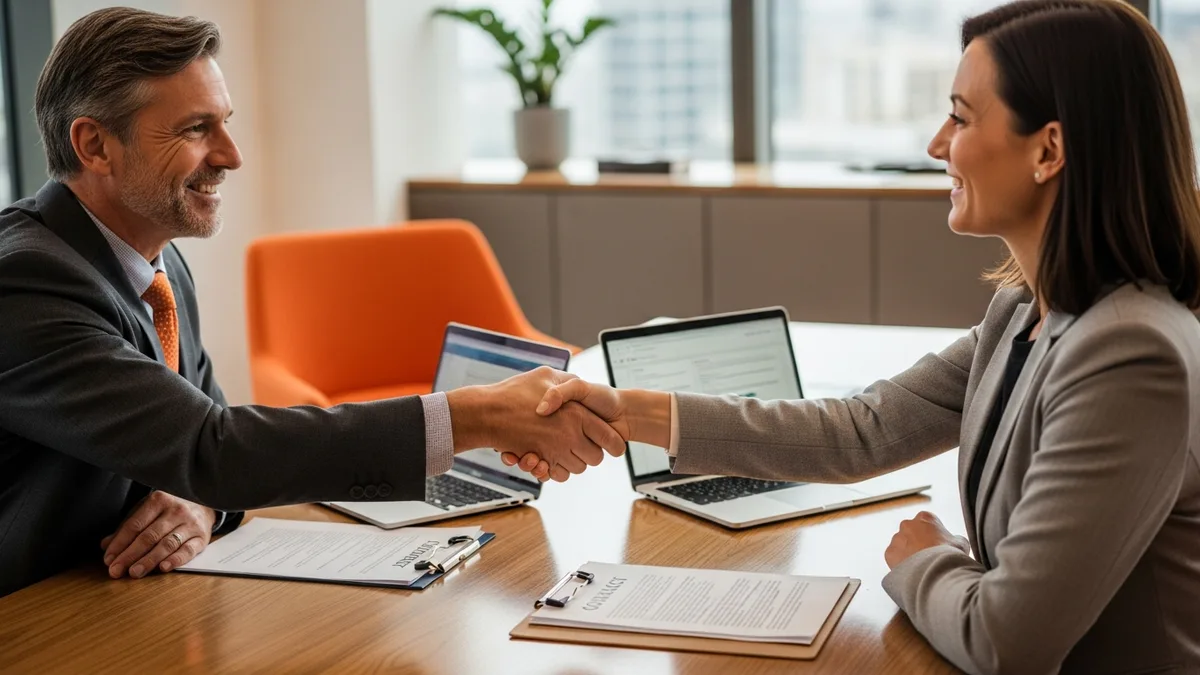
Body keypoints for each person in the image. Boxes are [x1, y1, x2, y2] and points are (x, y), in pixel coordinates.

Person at [506, 1, 1200, 672]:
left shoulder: (1129, 353)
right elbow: (859, 430)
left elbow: (1007, 643)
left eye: (959, 117)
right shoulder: (1024, 311)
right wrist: (626, 412)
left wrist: (927, 555)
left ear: (1049, 149)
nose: (935, 145)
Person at [0, 8, 623, 599]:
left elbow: (202, 446)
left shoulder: (155, 260)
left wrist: (202, 501)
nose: (231, 155)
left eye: (224, 121)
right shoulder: (25, 280)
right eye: (196, 129)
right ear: (95, 146)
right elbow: (213, 447)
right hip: (32, 615)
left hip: (123, 596)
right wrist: (475, 418)